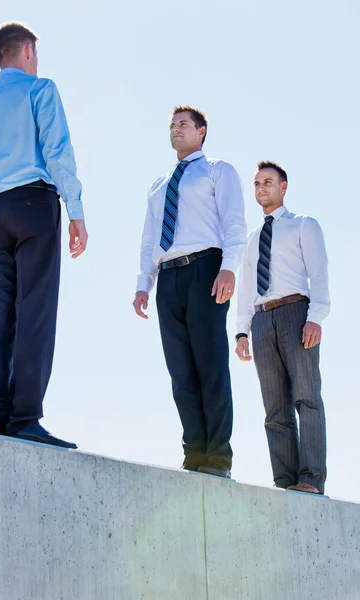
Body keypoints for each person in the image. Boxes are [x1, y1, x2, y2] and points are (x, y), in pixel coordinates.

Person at [0, 22, 88, 448]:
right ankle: (25, 418)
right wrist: (76, 210)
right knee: (33, 311)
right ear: (29, 50)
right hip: (33, 203)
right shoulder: (40, 91)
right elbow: (57, 150)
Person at [133, 105, 246, 478]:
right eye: (172, 125)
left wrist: (229, 267)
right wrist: (143, 284)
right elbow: (150, 237)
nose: (176, 129)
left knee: (210, 365)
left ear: (201, 132)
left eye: (184, 124)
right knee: (180, 370)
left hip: (206, 269)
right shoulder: (158, 184)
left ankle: (218, 457)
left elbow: (233, 223)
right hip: (169, 277)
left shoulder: (218, 170)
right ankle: (194, 454)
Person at [235, 161, 330, 494]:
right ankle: (285, 481)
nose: (262, 188)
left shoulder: (304, 225)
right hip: (262, 320)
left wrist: (315, 316)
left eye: (269, 182)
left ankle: (311, 479)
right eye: (258, 183)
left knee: (306, 397)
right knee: (274, 407)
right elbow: (247, 287)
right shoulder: (252, 239)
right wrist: (242, 331)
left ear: (283, 187)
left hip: (295, 312)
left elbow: (318, 273)